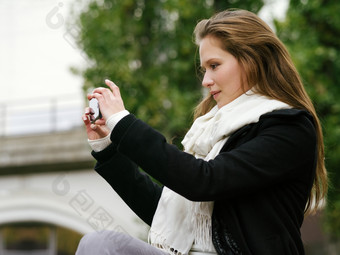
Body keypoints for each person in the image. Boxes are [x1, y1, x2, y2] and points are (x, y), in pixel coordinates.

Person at [76, 8, 328, 255]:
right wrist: (108, 148)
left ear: (251, 61)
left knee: (100, 244)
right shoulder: (210, 130)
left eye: (214, 65)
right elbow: (163, 212)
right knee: (100, 245)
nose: (205, 80)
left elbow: (204, 181)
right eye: (204, 69)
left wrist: (123, 122)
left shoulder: (289, 129)